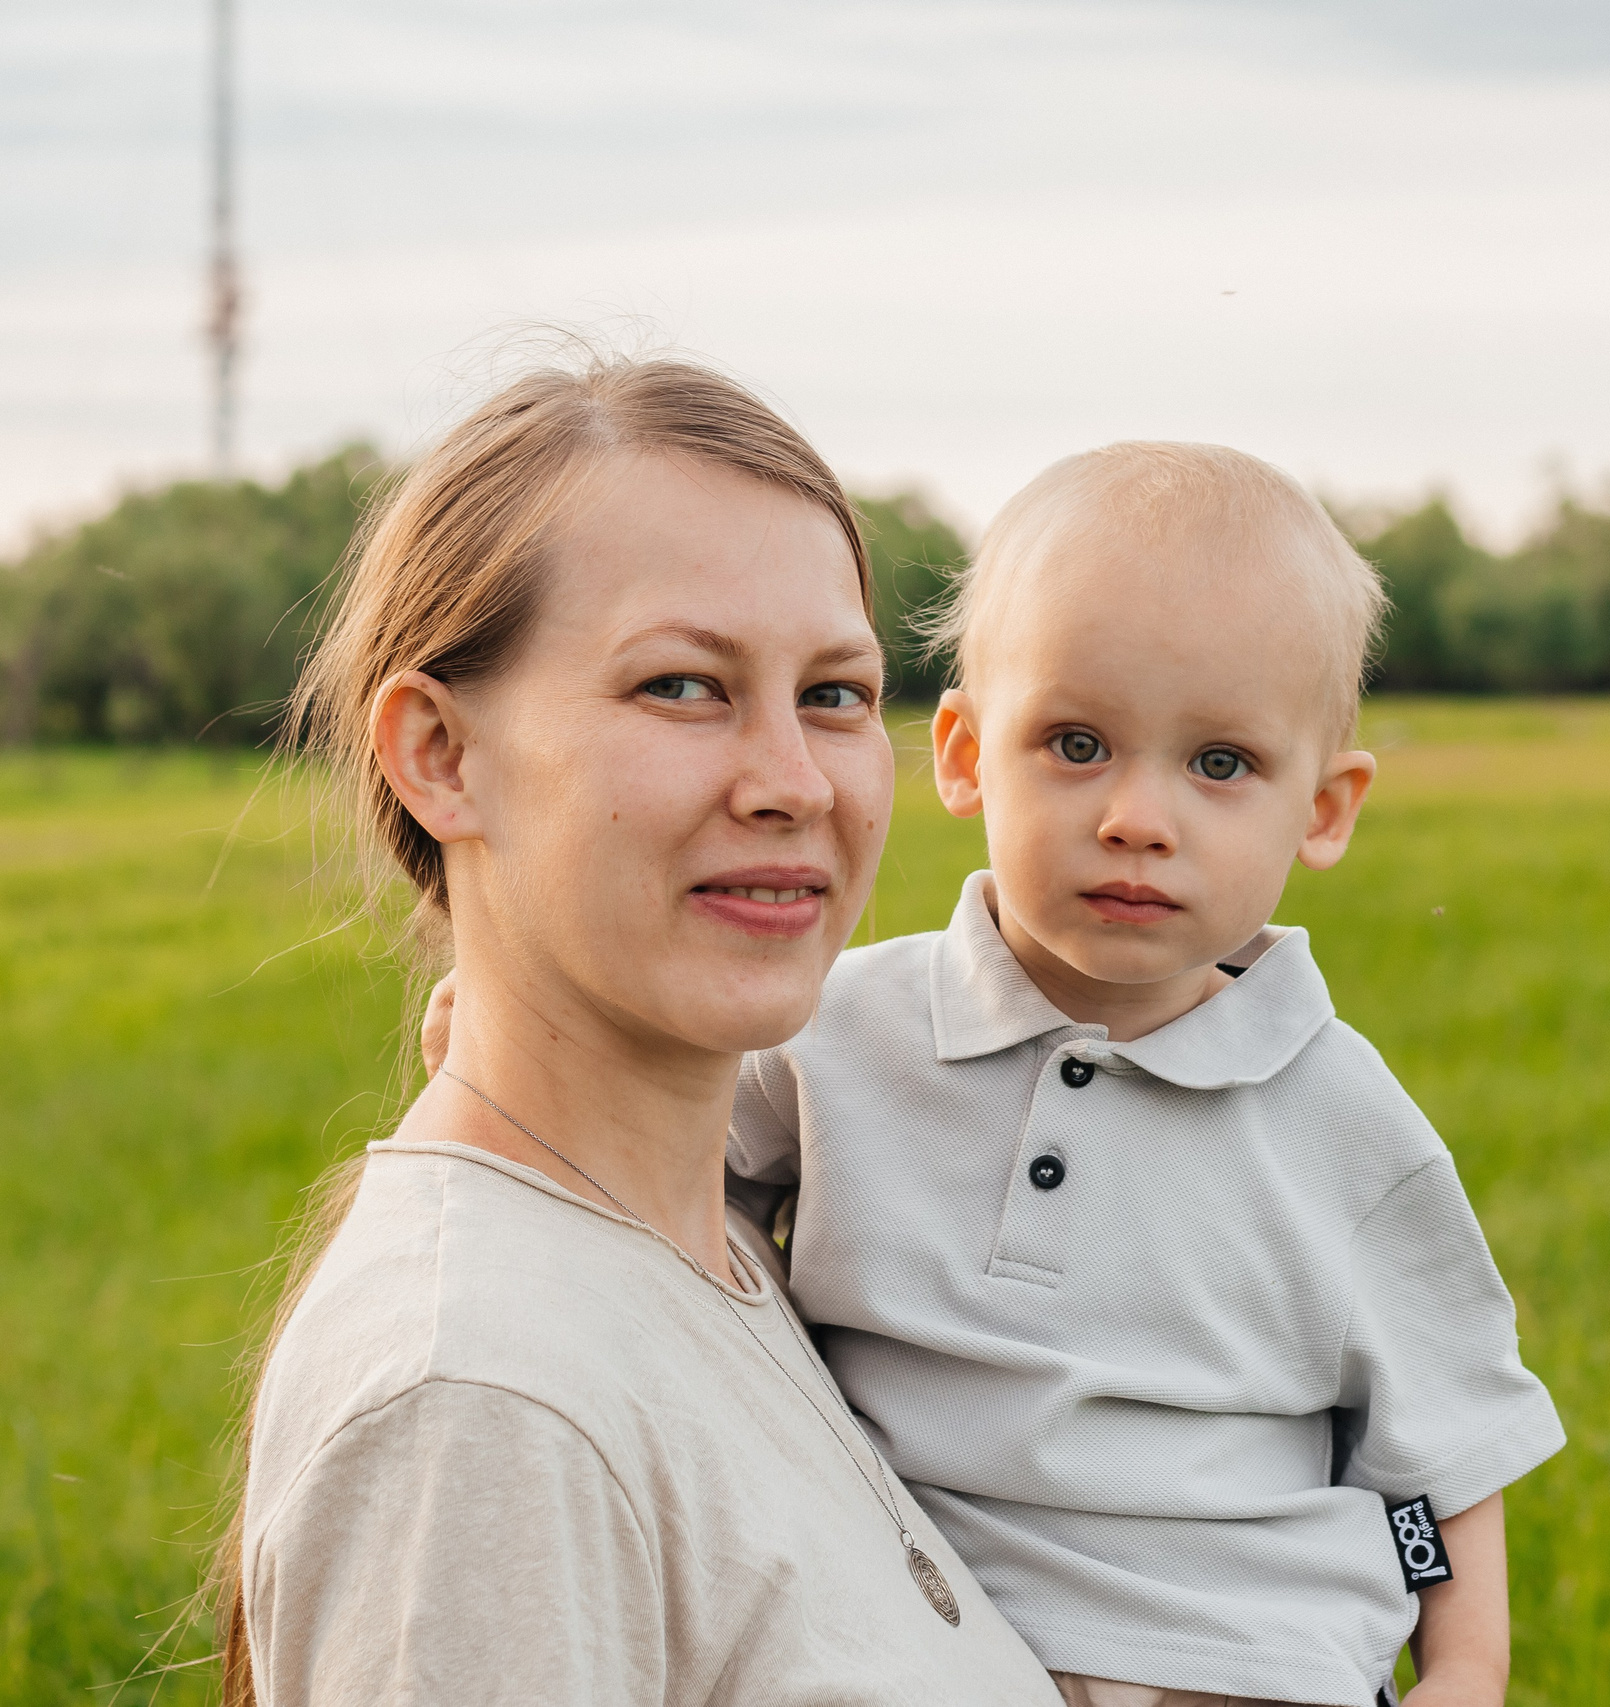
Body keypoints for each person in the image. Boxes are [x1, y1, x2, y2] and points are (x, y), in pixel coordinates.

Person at [215, 358, 1062, 1707]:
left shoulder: (724, 1240)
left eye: (836, 693)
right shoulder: (484, 1402)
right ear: (439, 752)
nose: (793, 782)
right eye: (682, 686)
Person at [721, 444, 1566, 1706]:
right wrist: (536, 1033)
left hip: (1251, 1661)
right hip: (923, 1641)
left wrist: (1463, 1669)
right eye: (1074, 743)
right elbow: (654, 1141)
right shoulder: (839, 1031)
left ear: (1324, 810)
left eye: (1219, 764)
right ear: (960, 753)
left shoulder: (1339, 1122)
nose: (1137, 817)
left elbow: (1433, 1456)